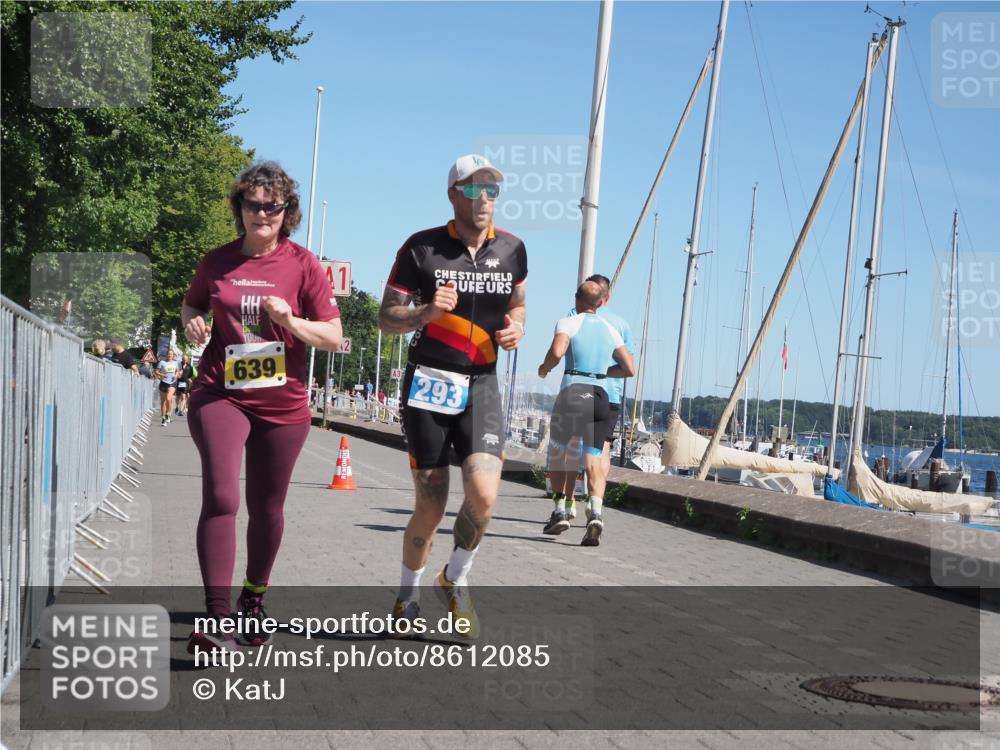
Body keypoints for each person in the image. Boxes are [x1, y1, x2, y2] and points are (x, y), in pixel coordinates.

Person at [181, 161, 342, 652]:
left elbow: (334, 337)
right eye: (253, 204)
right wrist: (193, 323)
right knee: (223, 496)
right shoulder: (218, 261)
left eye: (273, 205)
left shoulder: (303, 264)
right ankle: (216, 617)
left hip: (283, 405)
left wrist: (291, 322)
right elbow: (192, 304)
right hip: (220, 392)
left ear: (286, 211)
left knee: (267, 508)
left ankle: (254, 598)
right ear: (241, 209)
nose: (263, 213)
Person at [379, 153, 526, 638]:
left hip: (482, 382)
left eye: (492, 191)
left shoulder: (512, 249)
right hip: (430, 382)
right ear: (453, 194)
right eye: (473, 189)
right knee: (432, 502)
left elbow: (518, 303)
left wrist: (516, 329)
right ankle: (407, 594)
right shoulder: (422, 249)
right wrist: (424, 313)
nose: (483, 199)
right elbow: (385, 318)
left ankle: (456, 579)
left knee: (483, 497)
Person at [538, 280, 634, 546]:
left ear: (577, 299)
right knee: (593, 457)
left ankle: (560, 510)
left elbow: (557, 352)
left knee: (560, 453)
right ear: (601, 302)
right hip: (601, 396)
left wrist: (544, 368)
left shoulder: (568, 322)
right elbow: (629, 368)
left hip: (574, 390)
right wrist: (604, 372)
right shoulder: (610, 329)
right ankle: (596, 512)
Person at [155, 349, 179, 426]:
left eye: (171, 354)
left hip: (172, 383)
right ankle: (163, 419)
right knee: (163, 402)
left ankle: (168, 414)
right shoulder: (162, 362)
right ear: (166, 355)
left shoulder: (176, 363)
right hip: (163, 383)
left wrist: (176, 375)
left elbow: (178, 371)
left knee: (169, 398)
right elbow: (156, 372)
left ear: (173, 355)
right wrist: (163, 375)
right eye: (168, 354)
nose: (169, 355)